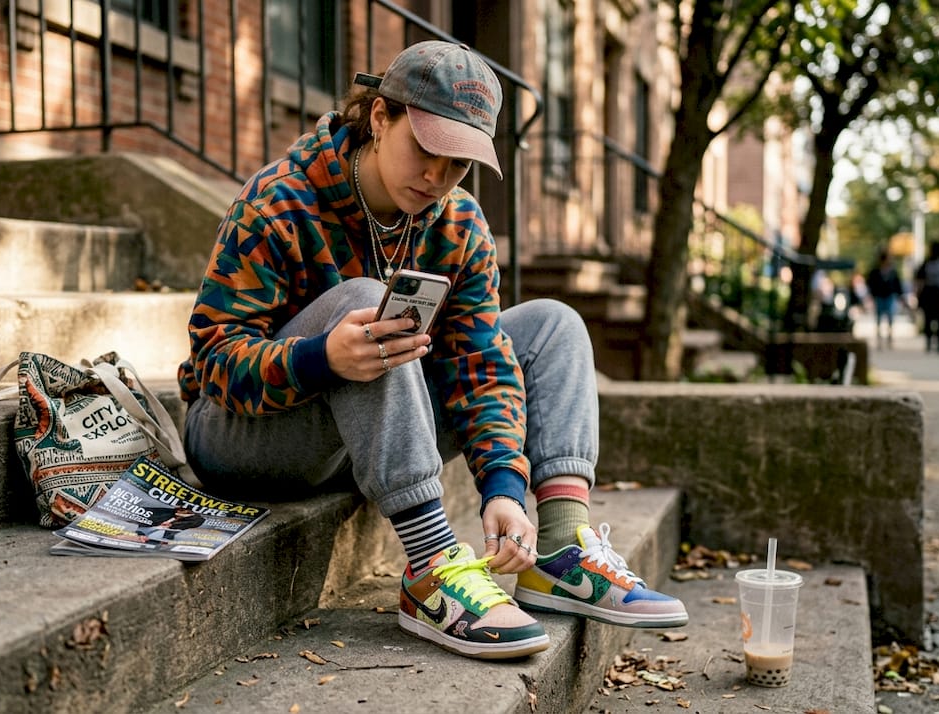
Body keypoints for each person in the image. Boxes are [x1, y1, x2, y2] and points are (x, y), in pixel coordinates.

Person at [176, 40, 687, 661]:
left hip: (371, 436)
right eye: (427, 150)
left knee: (552, 324)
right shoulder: (280, 201)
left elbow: (481, 365)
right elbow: (213, 363)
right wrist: (321, 358)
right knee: (365, 300)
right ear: (380, 117)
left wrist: (502, 482)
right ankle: (431, 566)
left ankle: (559, 550)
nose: (437, 179)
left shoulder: (459, 226)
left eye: (458, 164)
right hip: (243, 435)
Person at [915, 243, 939, 353]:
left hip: (930, 294)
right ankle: (938, 344)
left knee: (929, 320)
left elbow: (919, 281)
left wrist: (918, 295)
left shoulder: (927, 263)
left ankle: (930, 343)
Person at [866, 251, 904, 349]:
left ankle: (889, 337)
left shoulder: (892, 272)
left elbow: (897, 284)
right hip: (879, 296)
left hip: (889, 296)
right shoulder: (876, 271)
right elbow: (870, 283)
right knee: (879, 318)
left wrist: (900, 296)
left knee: (890, 317)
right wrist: (872, 294)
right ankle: (879, 339)